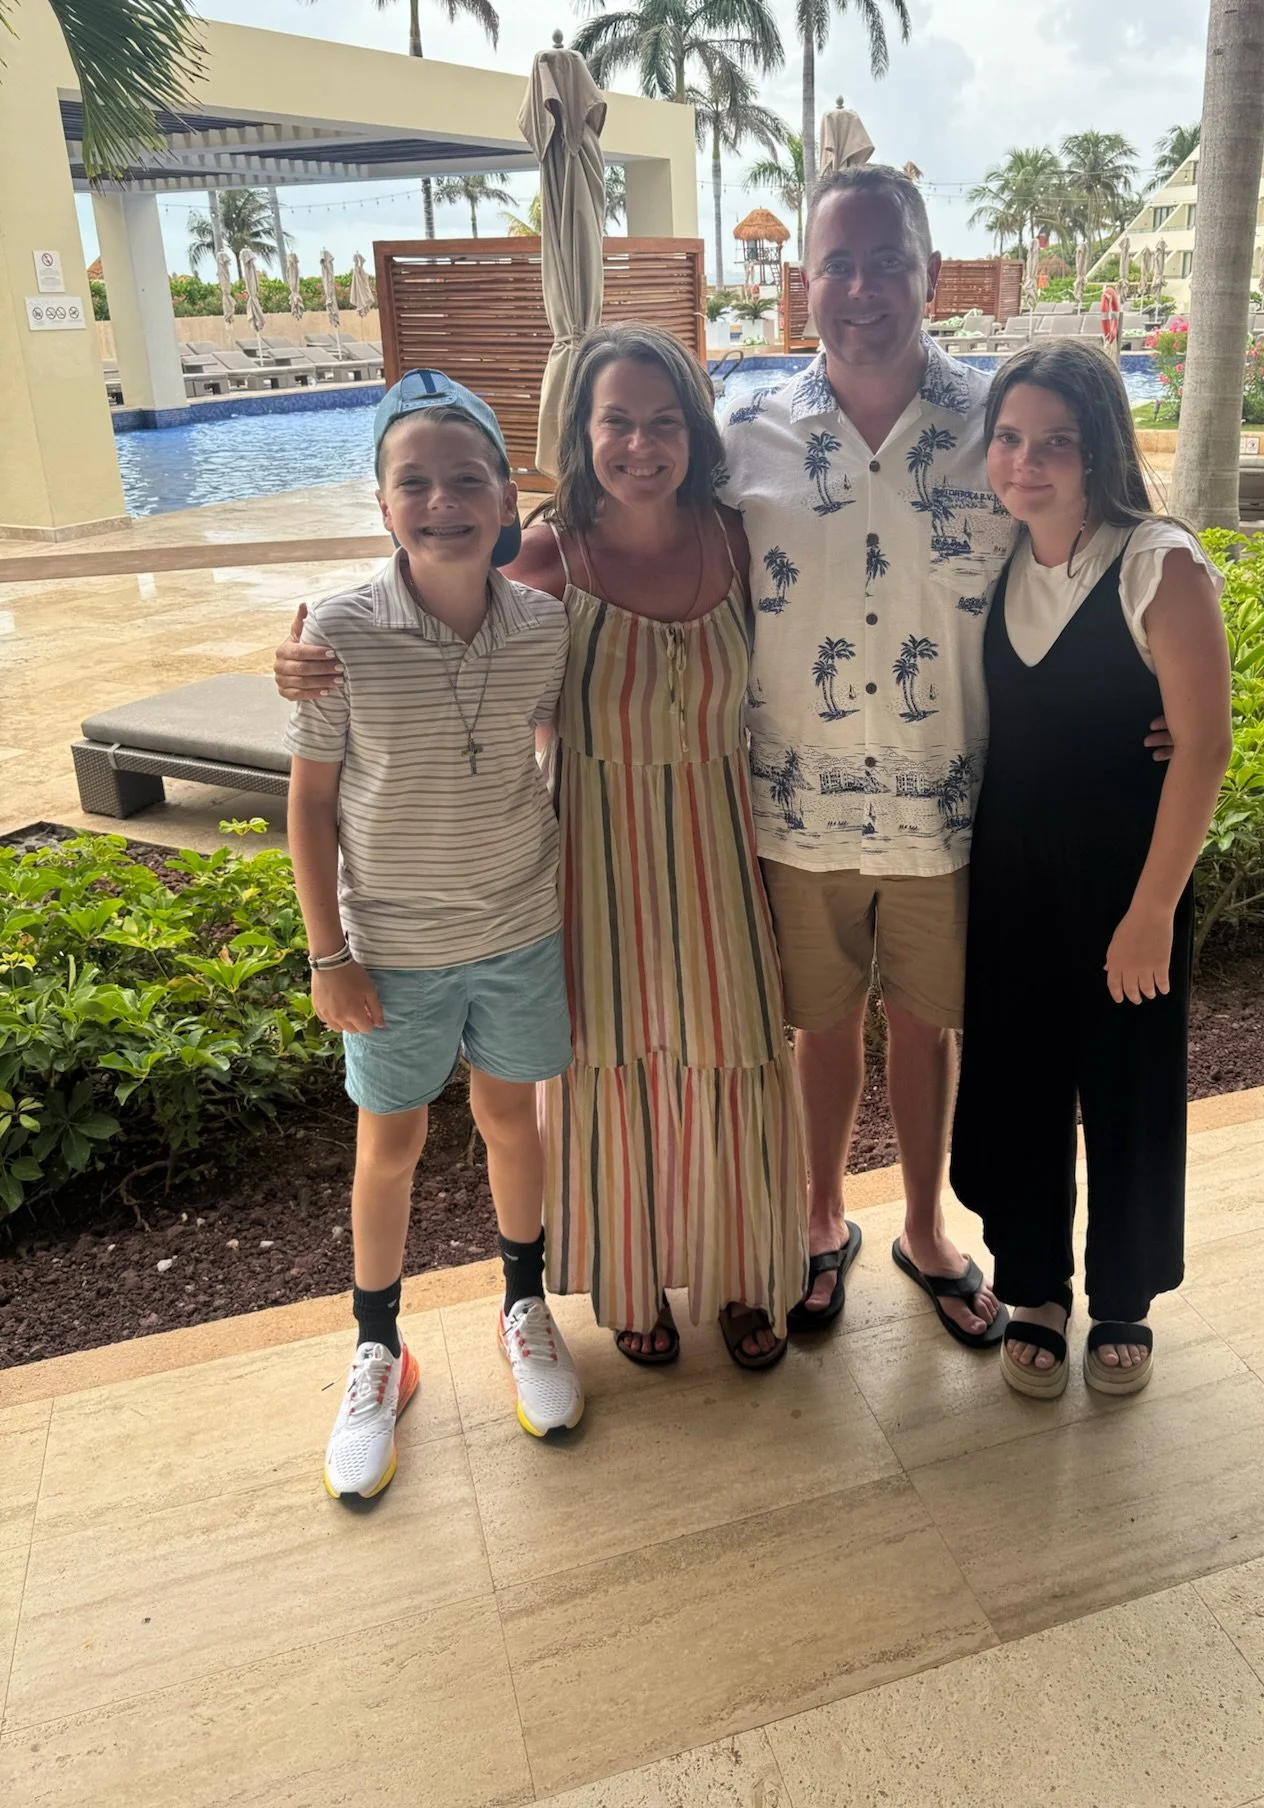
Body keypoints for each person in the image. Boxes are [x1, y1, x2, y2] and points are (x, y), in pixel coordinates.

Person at [278, 331, 807, 1372]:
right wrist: (299, 656)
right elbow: (433, 582)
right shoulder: (552, 555)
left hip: (713, 833)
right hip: (594, 847)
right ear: (582, 432)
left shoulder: (738, 538)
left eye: (664, 419)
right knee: (613, 1067)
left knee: (733, 1052)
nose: (641, 441)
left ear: (695, 430)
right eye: (616, 419)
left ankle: (744, 1271)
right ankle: (634, 1278)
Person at [721, 166, 1175, 1349]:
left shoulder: (997, 427)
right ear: (803, 279)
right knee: (819, 1030)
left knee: (931, 1026)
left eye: (886, 260)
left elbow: (1116, 543)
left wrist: (1164, 698)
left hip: (952, 807)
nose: (862, 286)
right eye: (838, 263)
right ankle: (822, 1219)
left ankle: (924, 1226)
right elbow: (631, 520)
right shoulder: (743, 431)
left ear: (929, 270)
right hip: (797, 805)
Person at [286, 369, 583, 1503]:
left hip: (518, 926)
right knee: (390, 1144)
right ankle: (378, 1347)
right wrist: (329, 953)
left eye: (468, 479)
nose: (443, 500)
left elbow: (572, 740)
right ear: (381, 502)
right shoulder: (339, 631)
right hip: (393, 948)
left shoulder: (546, 627)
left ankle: (523, 1304)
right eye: (415, 481)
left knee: (513, 1120)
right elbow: (311, 806)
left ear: (509, 497)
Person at [949, 342, 1231, 1400]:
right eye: (1010, 439)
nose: (1027, 461)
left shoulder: (1157, 561)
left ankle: (1120, 1297)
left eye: (1055, 441)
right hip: (1012, 877)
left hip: (1128, 884)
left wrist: (1153, 907)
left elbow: (1202, 745)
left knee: (1127, 1090)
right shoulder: (1002, 561)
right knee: (1019, 1083)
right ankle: (1033, 1284)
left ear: (1099, 448)